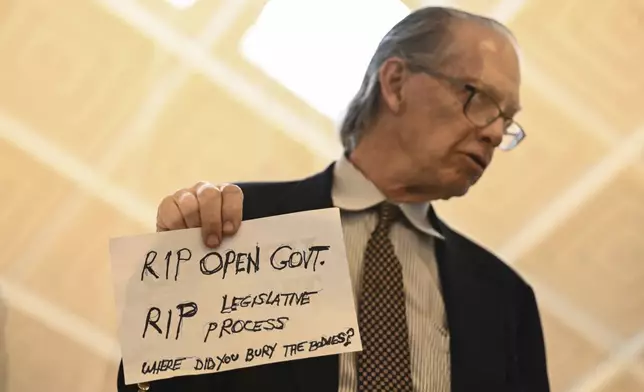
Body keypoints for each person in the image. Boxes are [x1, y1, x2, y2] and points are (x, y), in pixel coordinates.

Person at [118, 6, 550, 392]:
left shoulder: (507, 301)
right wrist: (174, 294)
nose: (494, 131)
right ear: (396, 83)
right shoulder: (240, 228)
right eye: (479, 98)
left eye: (506, 118)